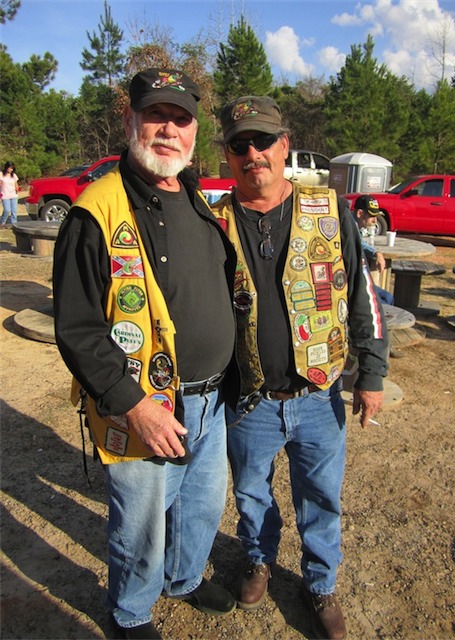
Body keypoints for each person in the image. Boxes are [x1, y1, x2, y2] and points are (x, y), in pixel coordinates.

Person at [53, 68, 238, 640]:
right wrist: (134, 406)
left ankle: (183, 578)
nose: (168, 130)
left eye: (181, 119)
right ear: (130, 121)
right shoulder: (96, 210)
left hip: (211, 399)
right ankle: (131, 611)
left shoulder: (196, 197)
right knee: (140, 522)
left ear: (195, 130)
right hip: (147, 404)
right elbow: (78, 329)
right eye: (156, 115)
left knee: (201, 506)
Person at [212, 96, 389, 640]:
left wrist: (372, 374)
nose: (253, 154)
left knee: (321, 498)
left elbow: (363, 295)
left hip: (318, 395)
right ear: (227, 155)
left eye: (263, 141)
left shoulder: (328, 209)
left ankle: (321, 583)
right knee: (251, 493)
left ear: (284, 145)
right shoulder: (212, 220)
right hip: (249, 398)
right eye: (240, 145)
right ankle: (258, 559)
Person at [352, 194, 394, 306]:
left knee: (387, 298)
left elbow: (360, 243)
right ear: (359, 213)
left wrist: (376, 252)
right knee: (383, 301)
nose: (375, 221)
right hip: (352, 284)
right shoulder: (348, 228)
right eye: (372, 216)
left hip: (359, 279)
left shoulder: (355, 227)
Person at [0, 161, 20, 228]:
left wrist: (17, 189)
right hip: (5, 195)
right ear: (6, 167)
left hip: (13, 195)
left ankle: (14, 224)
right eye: (9, 168)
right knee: (7, 210)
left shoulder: (13, 175)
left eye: (12, 168)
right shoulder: (1, 174)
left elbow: (16, 184)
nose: (10, 169)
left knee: (14, 211)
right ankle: (2, 222)